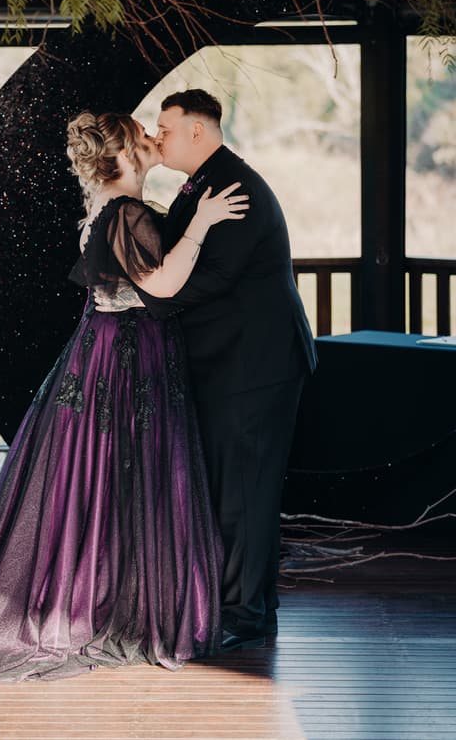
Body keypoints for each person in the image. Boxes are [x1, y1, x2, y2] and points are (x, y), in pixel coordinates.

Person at [0, 111, 249, 682]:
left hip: (104, 354)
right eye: (145, 137)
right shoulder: (126, 213)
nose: (153, 140)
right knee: (127, 480)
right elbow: (161, 284)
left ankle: (104, 589)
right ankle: (119, 602)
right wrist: (203, 223)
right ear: (125, 156)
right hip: (127, 362)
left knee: (103, 482)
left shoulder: (103, 212)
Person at [132, 89, 317, 650]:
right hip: (237, 361)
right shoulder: (200, 185)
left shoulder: (233, 186)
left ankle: (246, 611)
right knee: (235, 487)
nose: (157, 136)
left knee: (246, 490)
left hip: (256, 363)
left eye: (165, 127)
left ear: (197, 130)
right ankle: (253, 598)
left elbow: (213, 279)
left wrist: (147, 300)